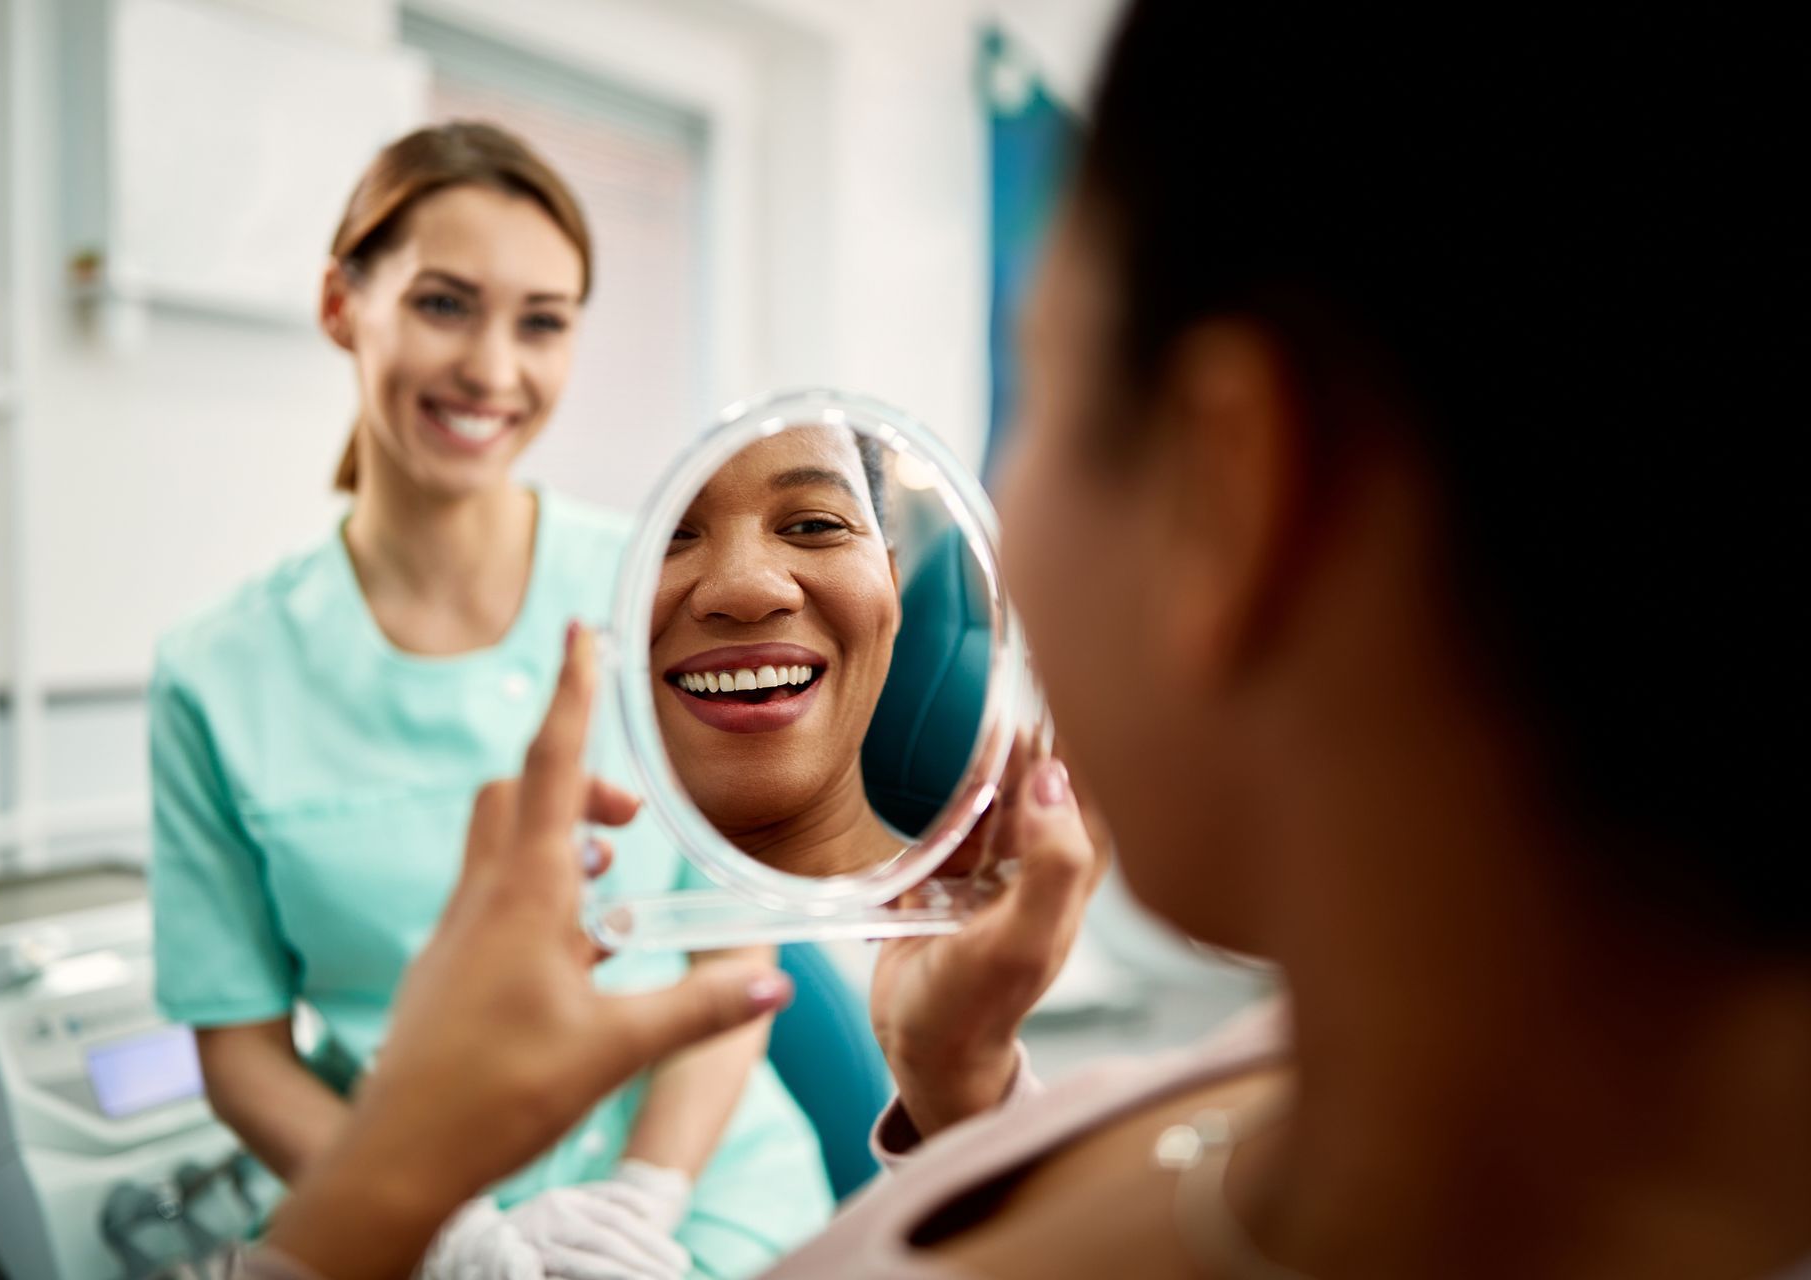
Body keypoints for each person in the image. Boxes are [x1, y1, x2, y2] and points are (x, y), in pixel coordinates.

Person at [230, 6, 1810, 1278]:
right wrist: (967, 1080)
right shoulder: (1269, 1116)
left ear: (1230, 493)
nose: (742, 591)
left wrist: (376, 1195)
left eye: (1033, 386)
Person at [148, 122, 831, 1280]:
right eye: (445, 304)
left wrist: (644, 1203)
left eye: (543, 322)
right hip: (397, 1213)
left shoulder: (664, 593)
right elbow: (243, 1054)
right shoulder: (216, 676)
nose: (493, 370)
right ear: (340, 305)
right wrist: (440, 1226)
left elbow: (733, 959)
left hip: (700, 1190)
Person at [652, 426, 904, 876]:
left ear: (892, 586)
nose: (746, 590)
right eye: (667, 533)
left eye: (815, 525)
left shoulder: (1017, 916)